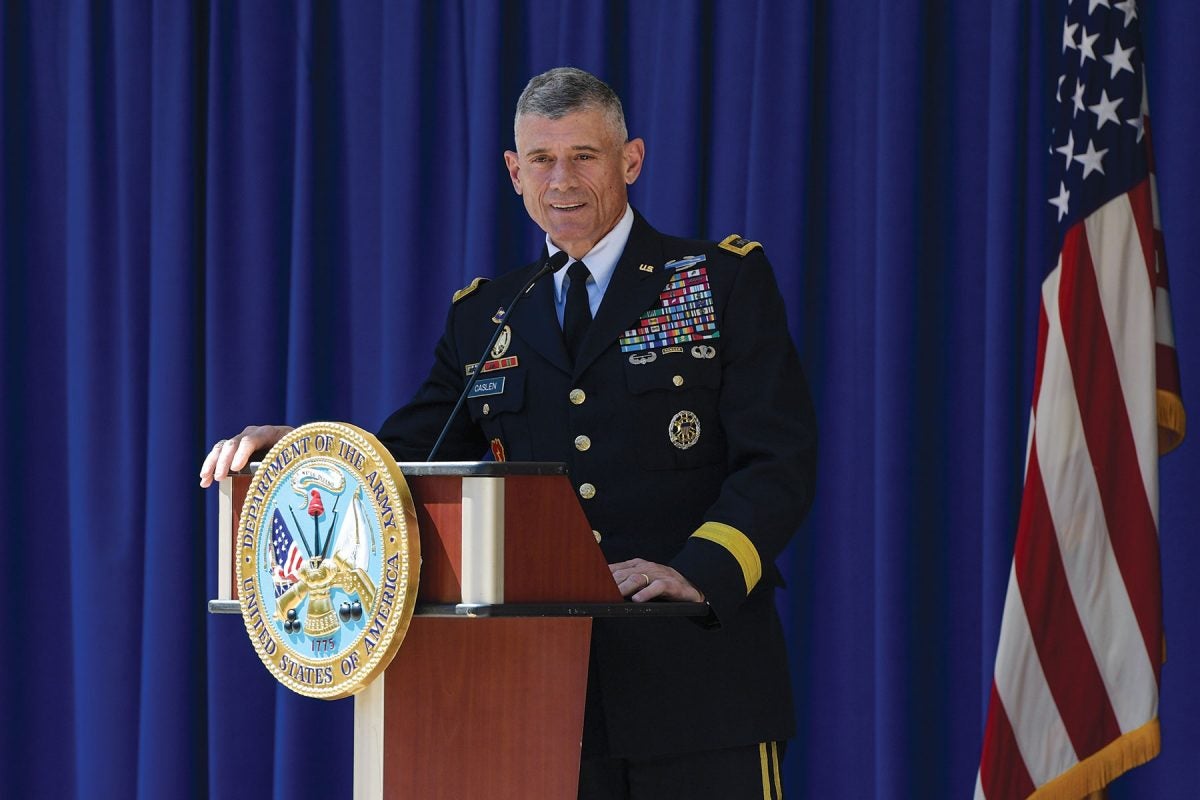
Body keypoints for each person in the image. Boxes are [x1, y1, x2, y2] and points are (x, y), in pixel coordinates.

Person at [201, 67, 816, 800]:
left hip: (698, 681)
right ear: (513, 171)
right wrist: (302, 451)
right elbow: (408, 459)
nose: (562, 180)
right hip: (539, 697)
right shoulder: (487, 315)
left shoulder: (717, 283)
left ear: (632, 161)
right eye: (541, 160)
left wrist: (699, 570)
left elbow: (779, 460)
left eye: (584, 156)